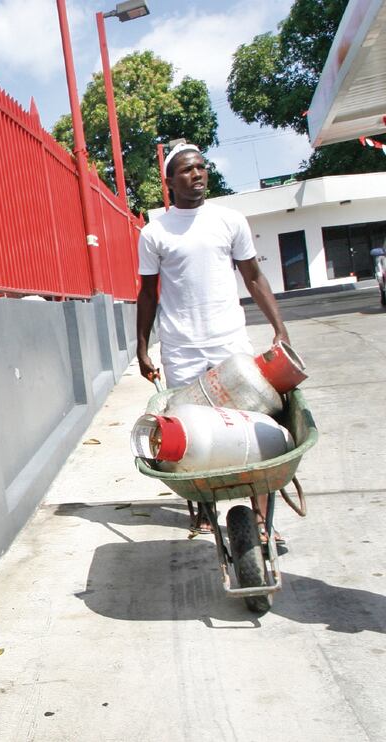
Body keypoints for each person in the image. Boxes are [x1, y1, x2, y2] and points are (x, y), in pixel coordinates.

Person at [135, 143, 291, 541]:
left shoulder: (229, 220)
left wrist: (279, 327)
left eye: (202, 167)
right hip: (182, 347)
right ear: (170, 181)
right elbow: (148, 294)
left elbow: (254, 277)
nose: (198, 174)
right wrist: (141, 346)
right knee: (184, 428)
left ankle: (260, 514)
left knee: (255, 423)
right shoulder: (155, 233)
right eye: (187, 170)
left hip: (228, 342)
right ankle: (203, 507)